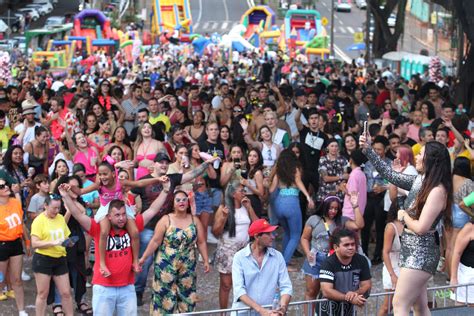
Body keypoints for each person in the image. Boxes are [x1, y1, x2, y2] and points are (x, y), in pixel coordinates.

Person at [360, 134, 453, 315]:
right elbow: (389, 175)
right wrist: (368, 149)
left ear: (431, 161)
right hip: (411, 249)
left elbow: (421, 227)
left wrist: (403, 216)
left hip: (421, 253)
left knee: (399, 303)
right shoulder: (422, 181)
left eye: (421, 154)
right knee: (419, 306)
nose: (416, 156)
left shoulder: (437, 190)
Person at [58, 177, 170, 316]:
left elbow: (152, 210)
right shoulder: (98, 228)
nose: (121, 218)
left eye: (123, 214)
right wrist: (65, 196)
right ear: (108, 216)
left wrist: (165, 190)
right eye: (117, 215)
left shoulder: (132, 227)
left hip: (127, 287)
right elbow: (78, 215)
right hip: (103, 287)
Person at [138, 190, 210, 315]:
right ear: (173, 203)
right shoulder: (166, 220)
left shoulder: (195, 220)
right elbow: (155, 241)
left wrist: (205, 260)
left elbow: (201, 242)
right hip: (166, 264)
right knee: (165, 297)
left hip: (188, 264)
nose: (181, 202)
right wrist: (143, 258)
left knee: (187, 296)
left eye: (184, 199)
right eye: (178, 200)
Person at [300, 193, 364, 307]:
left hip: (334, 260)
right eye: (330, 208)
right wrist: (307, 252)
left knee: (331, 292)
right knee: (311, 292)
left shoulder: (341, 221)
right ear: (325, 206)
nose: (333, 211)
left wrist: (355, 206)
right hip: (316, 258)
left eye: (336, 208)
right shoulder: (314, 219)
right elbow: (304, 238)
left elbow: (359, 225)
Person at [212, 182, 259, 309]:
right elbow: (215, 232)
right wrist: (223, 218)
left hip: (244, 249)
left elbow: (258, 226)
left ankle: (241, 309)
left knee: (244, 282)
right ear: (233, 194)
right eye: (241, 191)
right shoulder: (224, 208)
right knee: (226, 285)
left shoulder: (246, 207)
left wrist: (250, 208)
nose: (244, 193)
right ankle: (223, 312)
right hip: (227, 249)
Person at [232, 219, 292, 315]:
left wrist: (283, 308)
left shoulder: (278, 256)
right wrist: (261, 310)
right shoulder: (239, 257)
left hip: (269, 311)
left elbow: (286, 286)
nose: (272, 237)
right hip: (244, 312)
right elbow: (239, 291)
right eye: (268, 234)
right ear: (256, 236)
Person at [270, 149, 314, 270]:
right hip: (291, 202)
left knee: (287, 232)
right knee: (295, 235)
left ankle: (285, 260)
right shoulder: (296, 167)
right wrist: (307, 196)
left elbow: (271, 189)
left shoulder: (279, 170)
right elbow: (298, 181)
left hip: (279, 202)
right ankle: (283, 264)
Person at [30, 194, 74, 316]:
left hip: (60, 258)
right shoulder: (39, 221)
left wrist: (68, 242)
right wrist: (53, 243)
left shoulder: (60, 218)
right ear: (45, 206)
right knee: (43, 293)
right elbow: (34, 243)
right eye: (54, 208)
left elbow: (65, 236)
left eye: (59, 208)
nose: (56, 211)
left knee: (66, 293)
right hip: (43, 259)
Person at [319, 228, 372, 316]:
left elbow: (367, 285)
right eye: (346, 245)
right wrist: (350, 298)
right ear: (336, 247)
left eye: (353, 244)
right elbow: (326, 291)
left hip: (349, 311)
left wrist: (355, 293)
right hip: (327, 312)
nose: (351, 247)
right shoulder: (328, 263)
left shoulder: (362, 260)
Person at [0, 177, 30, 316]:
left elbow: (22, 224)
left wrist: (27, 242)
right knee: (0, 281)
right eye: (1, 187)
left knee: (17, 280)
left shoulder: (15, 202)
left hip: (16, 244)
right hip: (2, 246)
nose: (5, 187)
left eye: (5, 185)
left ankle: (21, 310)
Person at [379, 206, 404, 316]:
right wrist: (392, 274)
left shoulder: (410, 224)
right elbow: (385, 252)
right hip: (393, 267)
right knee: (387, 306)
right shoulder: (391, 227)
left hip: (406, 268)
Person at [450, 219, 474, 305]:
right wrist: (453, 278)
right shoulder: (469, 227)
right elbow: (457, 253)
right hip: (467, 276)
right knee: (462, 310)